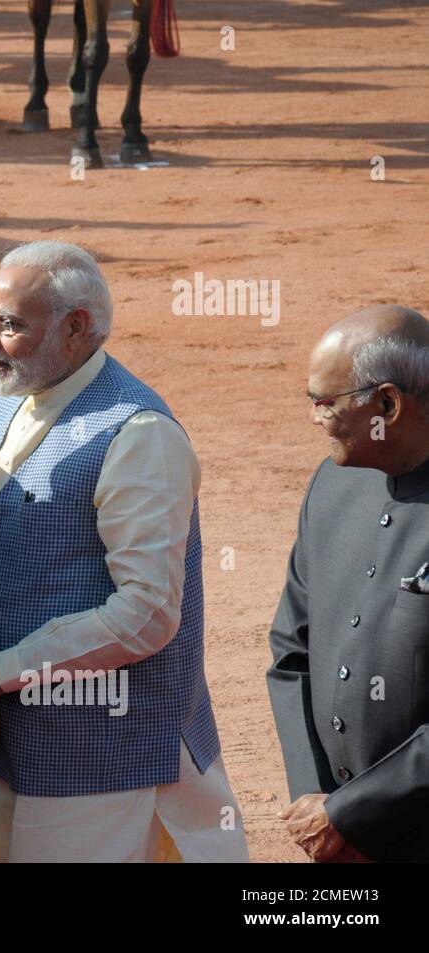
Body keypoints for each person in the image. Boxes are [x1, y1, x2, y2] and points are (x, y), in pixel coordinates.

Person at [0, 241, 248, 862]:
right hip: (2, 752)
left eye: (9, 325)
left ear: (77, 328)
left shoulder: (141, 436)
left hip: (106, 765)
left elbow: (146, 613)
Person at [267, 305, 429, 863]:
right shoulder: (331, 485)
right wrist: (317, 805)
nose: (314, 418)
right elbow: (291, 650)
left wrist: (356, 814)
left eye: (325, 403)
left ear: (387, 404)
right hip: (337, 836)